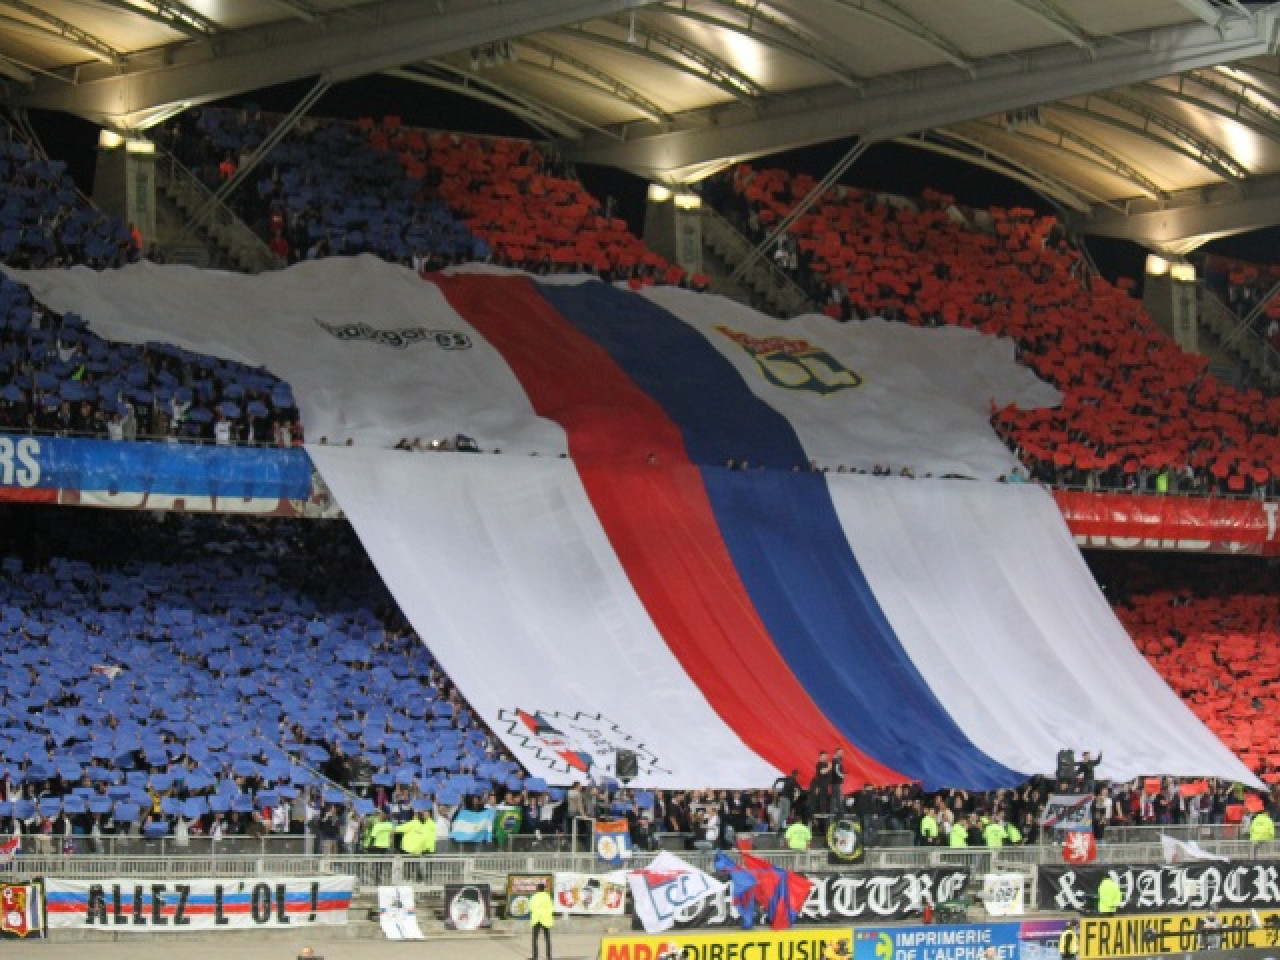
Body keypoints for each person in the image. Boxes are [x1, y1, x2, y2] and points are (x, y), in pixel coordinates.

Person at [530, 880, 554, 960]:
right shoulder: (547, 897)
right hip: (545, 919)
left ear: (537, 888)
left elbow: (531, 907)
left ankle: (535, 956)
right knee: (547, 939)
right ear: (544, 889)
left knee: (535, 939)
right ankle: (549, 956)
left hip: (537, 919)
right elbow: (551, 908)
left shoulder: (534, 897)